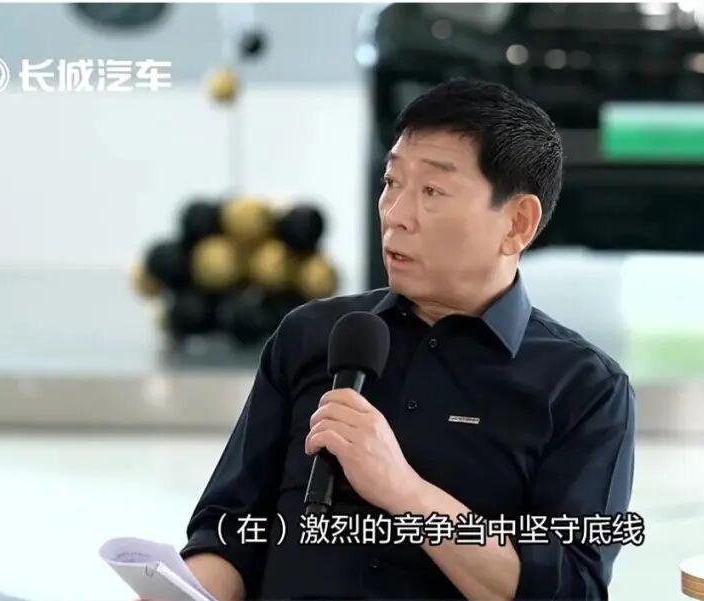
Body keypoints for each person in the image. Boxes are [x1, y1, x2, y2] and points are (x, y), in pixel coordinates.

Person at [174, 78, 636, 600]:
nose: (395, 215)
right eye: (392, 182)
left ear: (517, 223)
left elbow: (570, 588)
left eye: (432, 192)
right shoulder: (311, 336)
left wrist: (406, 493)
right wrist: (183, 589)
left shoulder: (583, 389)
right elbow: (229, 530)